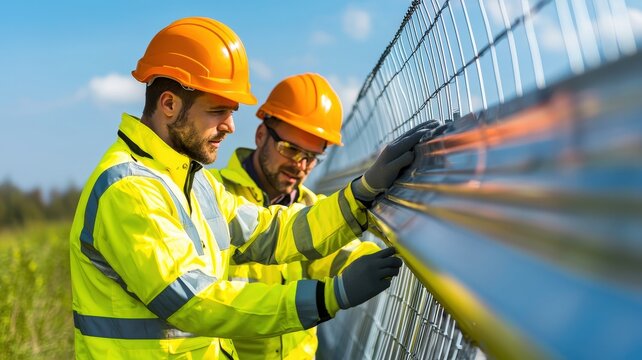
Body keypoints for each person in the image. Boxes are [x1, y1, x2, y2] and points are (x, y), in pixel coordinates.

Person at [69, 17, 444, 359]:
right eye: (218, 110)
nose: (231, 126)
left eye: (232, 111)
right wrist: (330, 297)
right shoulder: (129, 188)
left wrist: (360, 193)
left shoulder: (194, 183)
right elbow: (194, 301)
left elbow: (272, 232)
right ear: (169, 103)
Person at [211, 73, 381, 359]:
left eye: (311, 157)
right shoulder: (213, 197)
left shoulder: (313, 210)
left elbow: (344, 256)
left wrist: (393, 256)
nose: (300, 166)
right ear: (261, 135)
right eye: (290, 149)